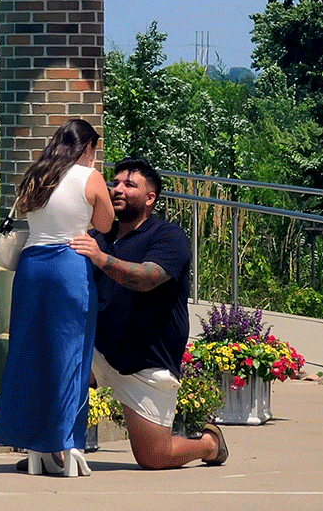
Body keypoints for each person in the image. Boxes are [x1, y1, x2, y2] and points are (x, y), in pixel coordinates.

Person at [69, 157, 228, 469]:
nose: (118, 189)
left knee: (154, 457)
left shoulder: (168, 236)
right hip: (100, 351)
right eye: (115, 183)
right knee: (60, 365)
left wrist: (101, 259)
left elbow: (146, 279)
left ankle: (209, 444)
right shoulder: (101, 235)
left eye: (130, 185)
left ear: (150, 197)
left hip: (148, 360)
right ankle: (54, 452)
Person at [0, 119, 115, 477]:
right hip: (68, 265)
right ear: (87, 147)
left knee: (28, 353)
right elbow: (105, 224)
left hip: (31, 267)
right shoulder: (89, 178)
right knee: (70, 356)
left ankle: (32, 442)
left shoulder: (36, 174)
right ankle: (64, 443)